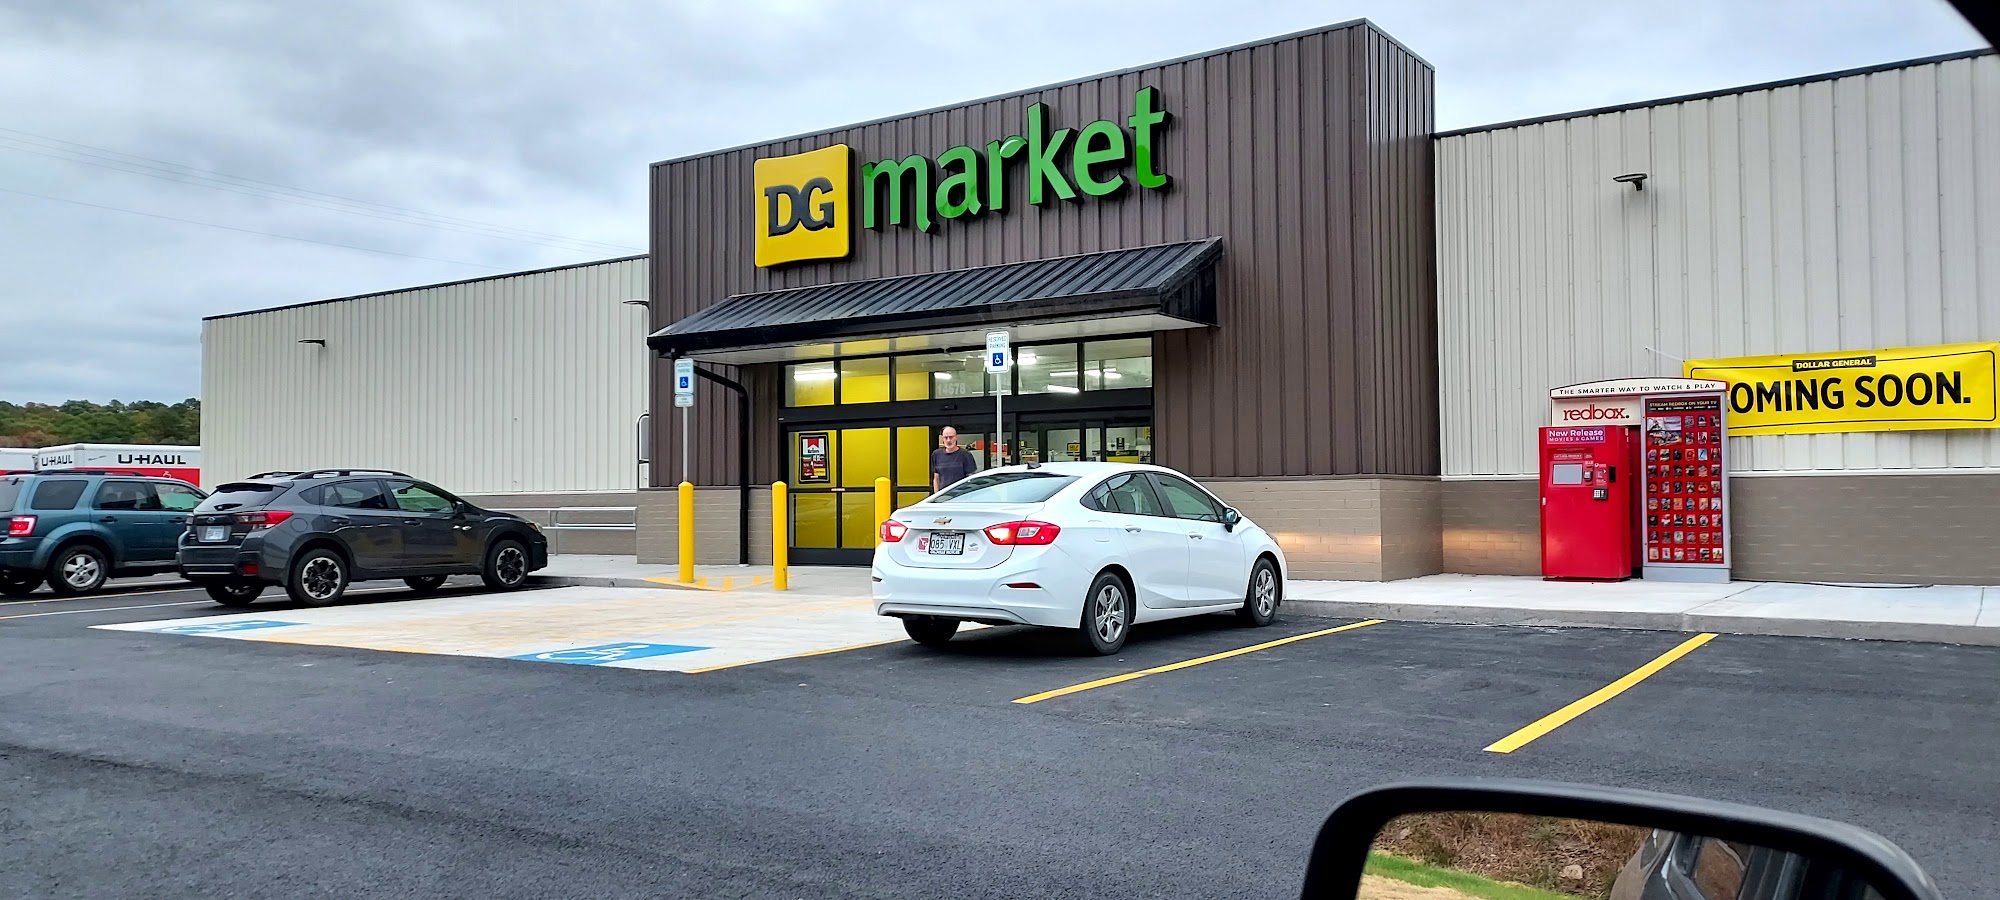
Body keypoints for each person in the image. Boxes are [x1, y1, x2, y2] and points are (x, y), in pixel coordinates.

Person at [930, 426, 979, 492]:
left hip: (960, 495)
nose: (948, 440)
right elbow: (936, 478)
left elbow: (971, 478)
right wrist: (936, 495)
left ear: (956, 437)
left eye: (951, 437)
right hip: (943, 495)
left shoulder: (965, 455)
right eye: (946, 437)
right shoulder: (936, 454)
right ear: (942, 438)